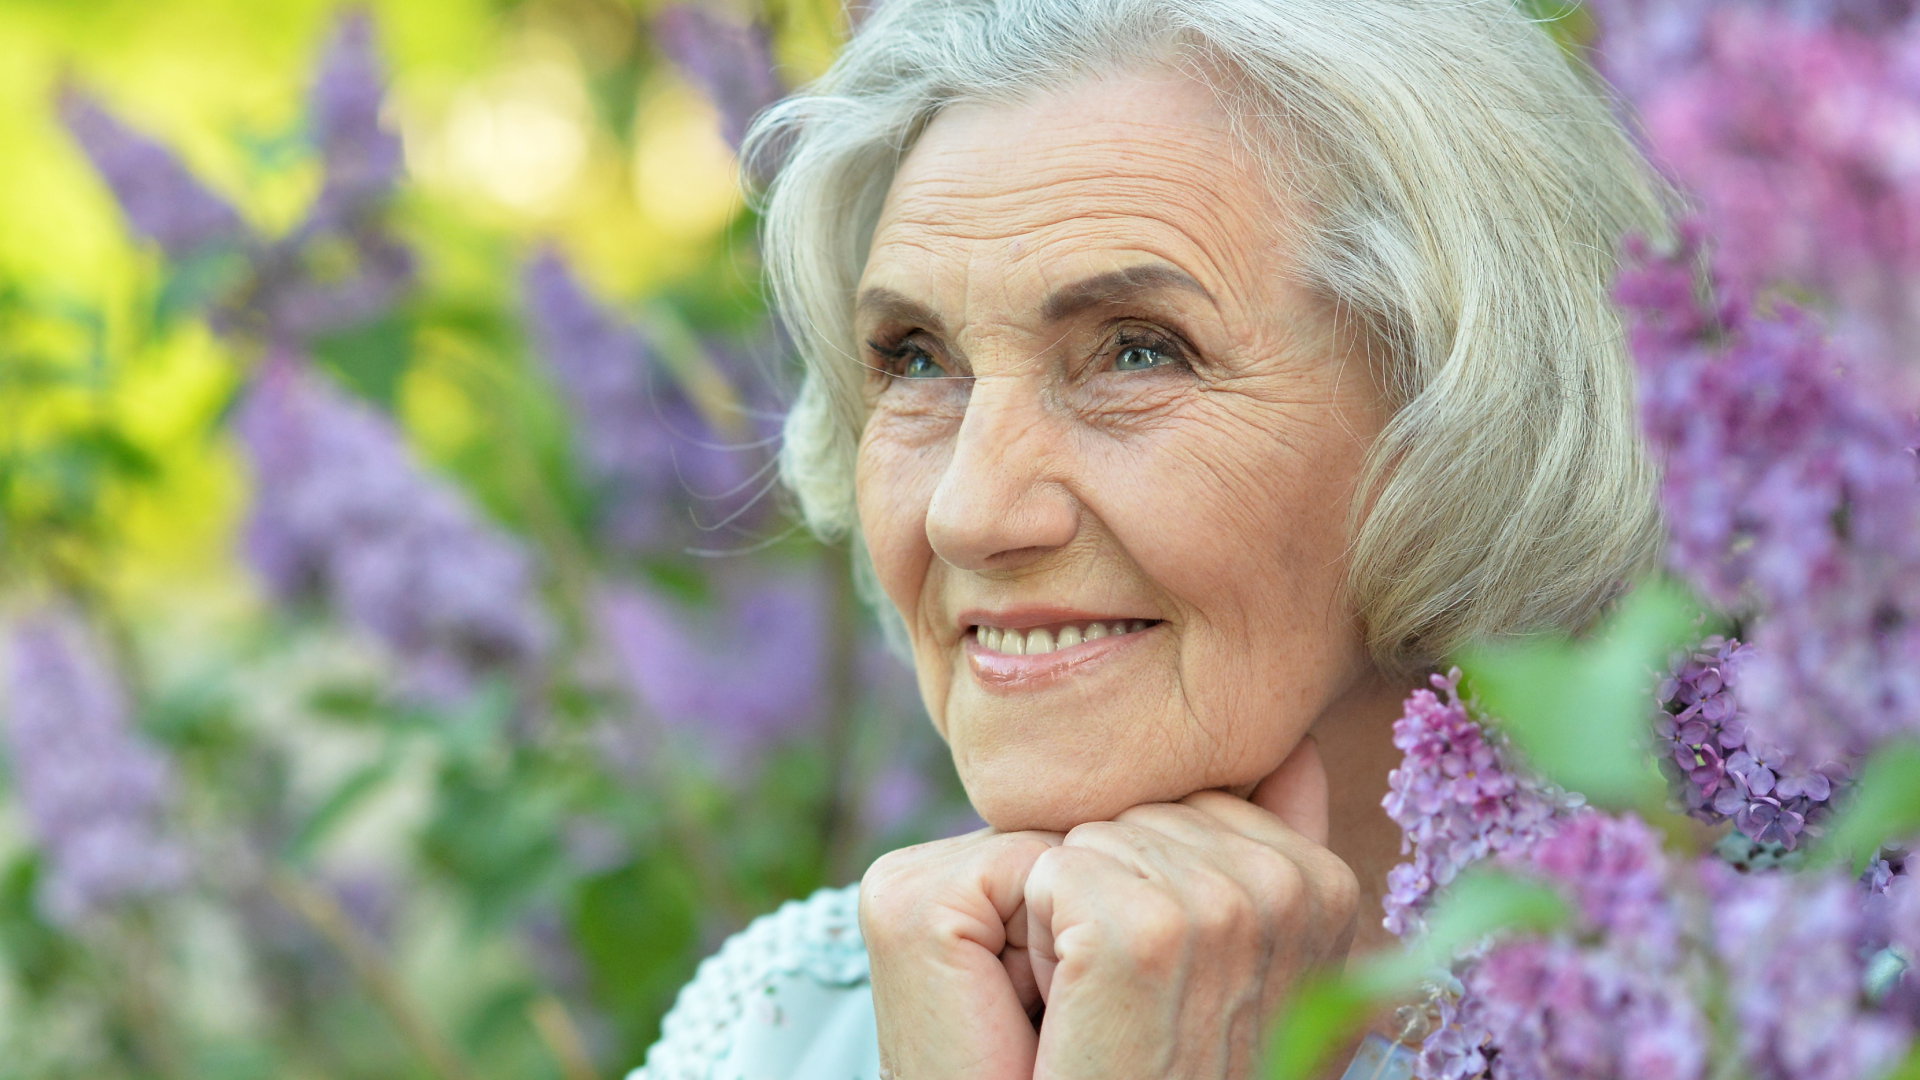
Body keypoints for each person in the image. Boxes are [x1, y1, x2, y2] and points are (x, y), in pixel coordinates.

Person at [631, 0, 1671, 1076]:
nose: (968, 512)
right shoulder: (789, 1021)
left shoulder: (1743, 1010)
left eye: (1137, 353)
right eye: (915, 359)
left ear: (1466, 403)